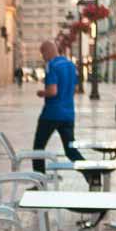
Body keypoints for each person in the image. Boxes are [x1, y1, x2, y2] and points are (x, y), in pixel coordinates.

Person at [31, 39, 84, 174]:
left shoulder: (51, 65)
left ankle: (39, 182)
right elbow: (75, 89)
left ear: (48, 51)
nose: (43, 57)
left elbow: (53, 91)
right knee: (70, 150)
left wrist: (41, 93)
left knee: (38, 148)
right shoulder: (70, 65)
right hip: (68, 114)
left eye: (42, 53)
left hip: (51, 114)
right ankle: (90, 172)